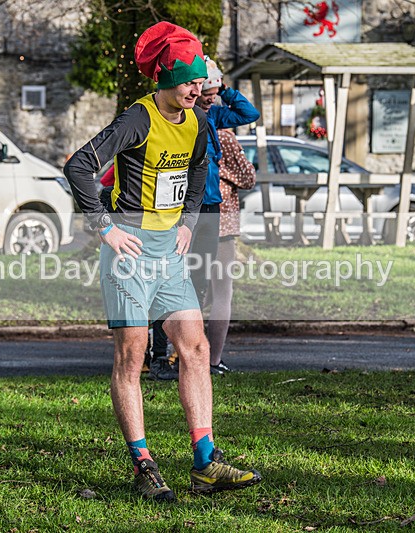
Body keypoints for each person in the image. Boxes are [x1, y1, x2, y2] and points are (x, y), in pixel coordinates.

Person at [63, 21, 261, 500]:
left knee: (194, 348)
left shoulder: (195, 120)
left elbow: (196, 171)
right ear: (166, 80)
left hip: (168, 254)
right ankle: (143, 464)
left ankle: (205, 460)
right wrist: (104, 228)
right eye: (190, 81)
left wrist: (189, 222)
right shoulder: (137, 118)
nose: (199, 89)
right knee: (132, 358)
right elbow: (79, 165)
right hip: (129, 253)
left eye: (201, 81)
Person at [149, 55, 260, 380]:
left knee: (197, 287)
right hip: (176, 212)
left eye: (205, 87)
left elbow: (249, 113)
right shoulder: (176, 118)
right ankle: (158, 355)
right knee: (166, 283)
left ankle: (188, 353)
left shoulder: (213, 118)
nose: (202, 92)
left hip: (208, 211)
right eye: (196, 86)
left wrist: (224, 89)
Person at [206, 128, 256, 372]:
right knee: (222, 293)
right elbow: (248, 178)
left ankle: (170, 354)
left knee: (189, 292)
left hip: (188, 222)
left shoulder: (182, 124)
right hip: (221, 224)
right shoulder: (223, 136)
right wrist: (225, 169)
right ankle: (212, 359)